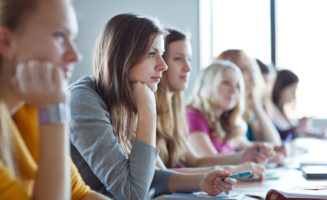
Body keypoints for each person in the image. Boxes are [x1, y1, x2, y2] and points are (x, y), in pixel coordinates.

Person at [69, 14, 236, 200]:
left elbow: (142, 176)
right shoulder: (83, 102)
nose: (162, 66)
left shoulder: (122, 100)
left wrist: (201, 181)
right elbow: (132, 192)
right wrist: (148, 111)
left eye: (162, 55)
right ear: (123, 57)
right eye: (151, 54)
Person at [0, 0, 109, 199]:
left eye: (73, 39)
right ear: (6, 42)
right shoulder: (47, 108)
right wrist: (55, 111)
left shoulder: (29, 108)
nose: (75, 55)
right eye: (59, 35)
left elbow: (81, 195)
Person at [155, 28, 267, 179]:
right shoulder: (190, 115)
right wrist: (234, 168)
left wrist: (242, 157)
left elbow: (194, 161)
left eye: (189, 59)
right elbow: (160, 176)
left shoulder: (175, 110)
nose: (188, 68)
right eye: (177, 58)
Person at [216, 50, 282, 144]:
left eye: (251, 66)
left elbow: (274, 142)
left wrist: (255, 106)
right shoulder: (227, 109)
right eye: (244, 69)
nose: (251, 71)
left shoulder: (248, 107)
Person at [269, 69, 326, 139]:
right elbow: (281, 136)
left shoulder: (282, 111)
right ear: (281, 88)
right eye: (292, 91)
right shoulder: (272, 111)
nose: (294, 96)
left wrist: (315, 133)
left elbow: (292, 131)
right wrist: (297, 128)